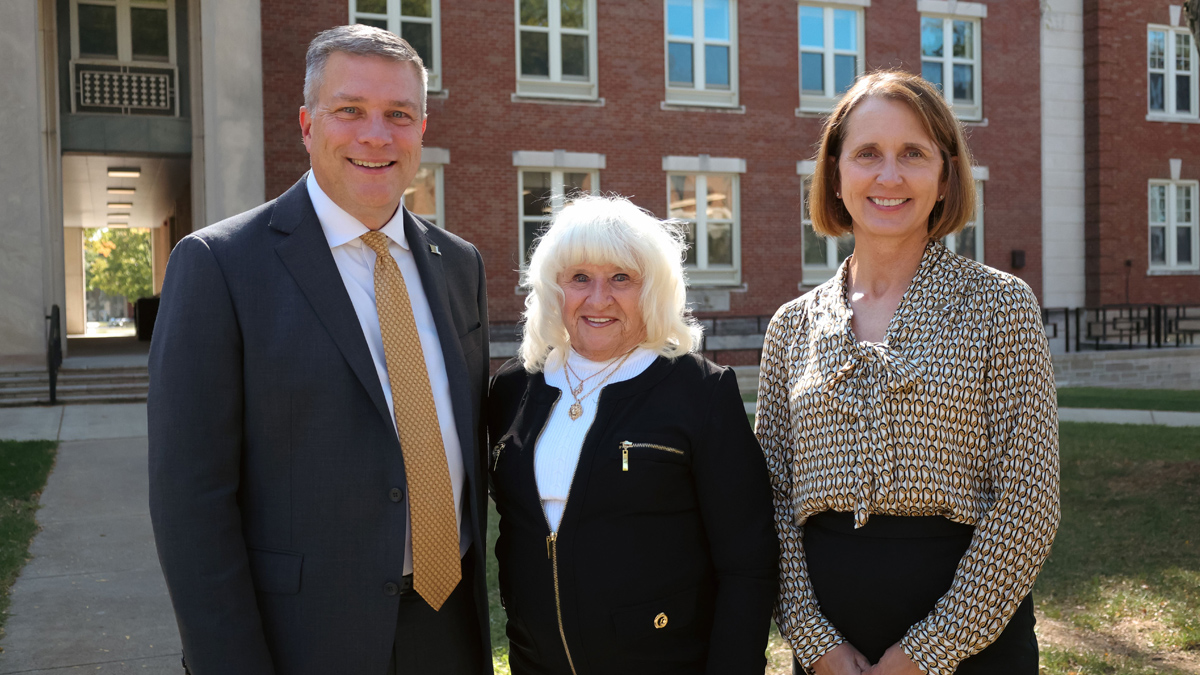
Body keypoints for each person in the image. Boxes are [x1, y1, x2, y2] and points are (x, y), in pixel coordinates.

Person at [148, 25, 491, 675]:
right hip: (302, 640)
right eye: (350, 111)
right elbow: (190, 503)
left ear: (422, 129)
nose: (376, 134)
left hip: (449, 632)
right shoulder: (219, 266)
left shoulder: (460, 266)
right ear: (307, 124)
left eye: (398, 114)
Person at [757, 70, 1059, 675]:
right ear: (836, 174)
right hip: (830, 651)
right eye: (868, 153)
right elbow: (771, 502)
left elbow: (1029, 501)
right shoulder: (790, 328)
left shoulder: (1000, 305)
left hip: (975, 643)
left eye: (913, 154)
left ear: (945, 176)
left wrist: (926, 654)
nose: (889, 176)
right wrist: (816, 646)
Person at [487, 195, 778, 675]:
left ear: (653, 290)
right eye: (580, 277)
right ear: (553, 287)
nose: (598, 298)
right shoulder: (513, 387)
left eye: (621, 278)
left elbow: (748, 564)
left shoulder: (699, 391)